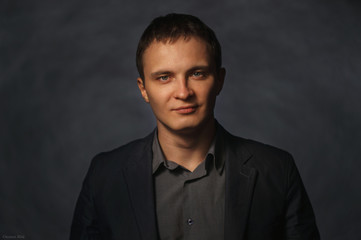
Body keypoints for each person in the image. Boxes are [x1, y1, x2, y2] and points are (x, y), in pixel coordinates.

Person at [70, 13, 320, 240]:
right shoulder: (104, 176)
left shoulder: (277, 170)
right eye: (164, 77)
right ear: (143, 89)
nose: (183, 92)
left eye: (197, 73)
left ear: (219, 80)